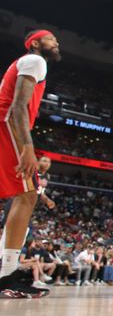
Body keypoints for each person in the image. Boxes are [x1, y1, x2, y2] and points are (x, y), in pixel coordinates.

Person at [0, 30, 61, 298]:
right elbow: (18, 107)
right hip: (7, 125)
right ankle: (7, 274)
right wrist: (27, 147)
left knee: (25, 195)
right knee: (27, 194)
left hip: (5, 124)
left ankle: (7, 272)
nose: (56, 42)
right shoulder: (36, 60)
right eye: (50, 38)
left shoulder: (26, 63)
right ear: (35, 43)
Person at [0, 155, 55, 252]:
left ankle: (8, 258)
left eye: (49, 162)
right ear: (38, 162)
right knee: (7, 231)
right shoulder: (32, 171)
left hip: (28, 206)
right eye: (44, 161)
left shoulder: (47, 176)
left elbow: (40, 191)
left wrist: (47, 200)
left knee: (24, 233)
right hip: (17, 202)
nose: (46, 163)